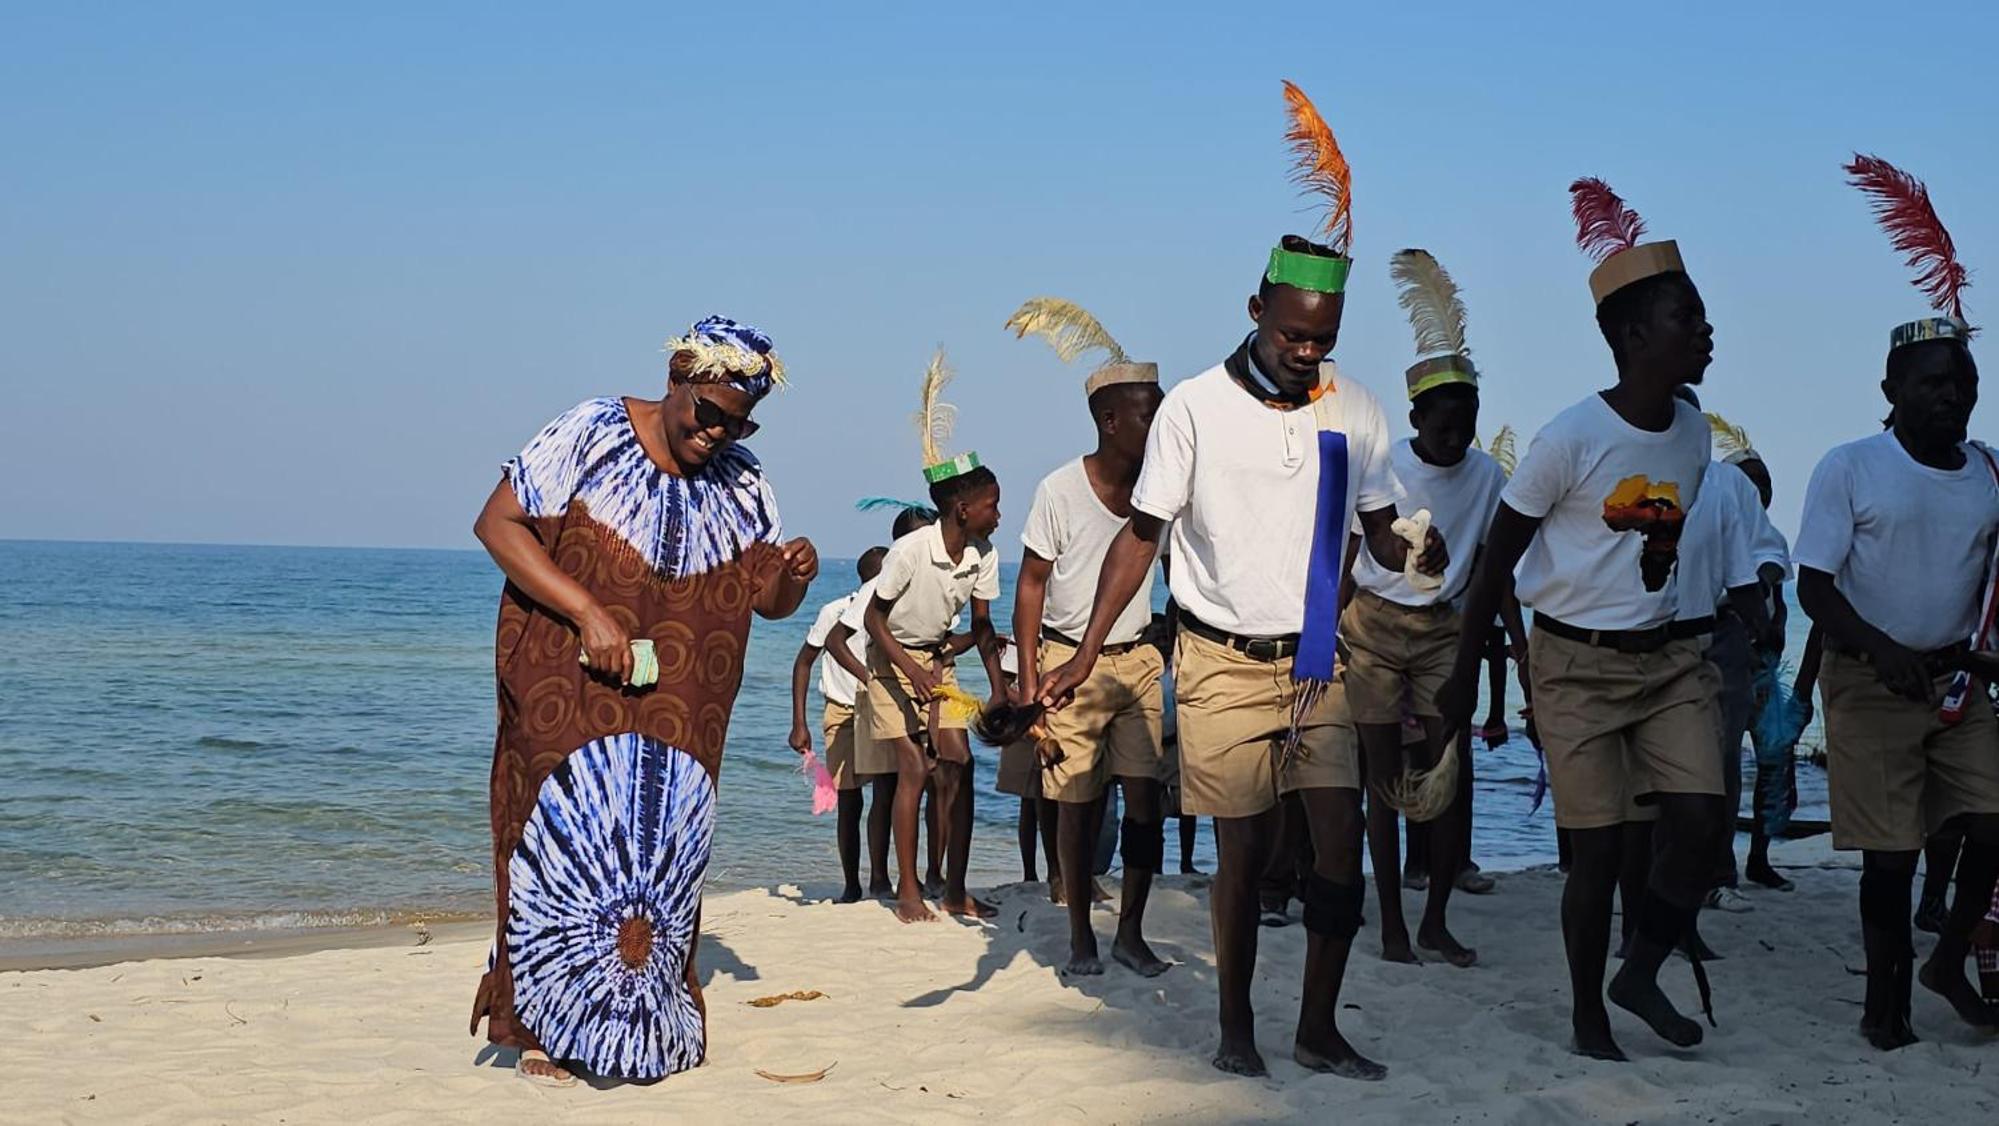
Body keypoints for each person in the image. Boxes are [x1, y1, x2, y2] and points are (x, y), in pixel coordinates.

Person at [1040, 80, 1443, 1080]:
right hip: (1219, 663)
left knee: (1335, 857)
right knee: (1246, 854)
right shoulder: (1192, 408)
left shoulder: (1353, 406)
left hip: (1319, 662)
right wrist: (1084, 651)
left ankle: (1316, 1027)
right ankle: (1234, 1027)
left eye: (1323, 339)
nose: (1306, 353)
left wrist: (1412, 552)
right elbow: (1141, 535)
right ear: (1256, 309)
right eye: (1292, 334)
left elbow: (1380, 528)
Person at [468, 317, 818, 1085]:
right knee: (557, 838)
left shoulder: (743, 478)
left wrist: (793, 575)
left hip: (680, 707)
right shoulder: (590, 431)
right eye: (709, 414)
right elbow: (497, 524)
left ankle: (636, 1023)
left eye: (737, 423)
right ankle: (539, 1028)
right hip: (568, 682)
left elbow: (768, 604)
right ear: (676, 381)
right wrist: (587, 611)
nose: (718, 433)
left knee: (660, 853)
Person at [1440, 179, 1727, 1062]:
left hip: (1668, 663)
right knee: (1596, 858)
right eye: (1687, 317)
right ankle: (1587, 1015)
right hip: (1574, 667)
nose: (1706, 332)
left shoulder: (1693, 432)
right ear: (1635, 336)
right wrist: (1463, 681)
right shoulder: (1568, 438)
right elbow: (1495, 561)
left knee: (1702, 825)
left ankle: (1637, 971)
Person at [1792, 153, 1999, 1047]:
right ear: (1890, 390)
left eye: (1963, 383)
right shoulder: (1849, 467)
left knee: (1992, 827)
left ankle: (1945, 959)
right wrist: (1880, 649)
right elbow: (1813, 584)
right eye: (1932, 382)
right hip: (1872, 683)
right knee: (1890, 858)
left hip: (1959, 686)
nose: (1951, 395)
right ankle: (1885, 1005)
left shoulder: (1989, 474)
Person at [1340, 248, 1506, 968]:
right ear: (1415, 417)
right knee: (1382, 784)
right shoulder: (1383, 466)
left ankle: (1435, 918)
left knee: (1445, 777)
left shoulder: (1488, 476)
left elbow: (1494, 569)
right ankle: (1392, 926)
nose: (1457, 434)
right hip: (1374, 628)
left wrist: (1509, 646)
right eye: (1444, 422)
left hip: (1444, 629)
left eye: (1467, 420)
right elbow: (1355, 548)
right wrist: (1324, 632)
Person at [1006, 296, 1171, 976]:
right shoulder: (1059, 490)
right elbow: (1030, 585)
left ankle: (1130, 930)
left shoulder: (1163, 492)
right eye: (1148, 414)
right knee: (1075, 804)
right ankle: (1079, 931)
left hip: (1138, 663)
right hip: (1064, 666)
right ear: (1109, 421)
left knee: (1146, 803)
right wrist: (1026, 678)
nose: (1161, 425)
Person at [861, 350, 1006, 923]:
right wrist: (911, 671)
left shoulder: (984, 553)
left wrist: (999, 692)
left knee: (959, 764)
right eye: (993, 506)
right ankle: (907, 890)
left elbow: (982, 627)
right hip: (890, 660)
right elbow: (874, 620)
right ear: (963, 509)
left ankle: (955, 888)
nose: (999, 515)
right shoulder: (910, 551)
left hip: (937, 662)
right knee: (915, 768)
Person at [831, 503, 944, 899]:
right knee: (886, 787)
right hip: (883, 690)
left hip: (921, 691)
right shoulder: (881, 584)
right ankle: (881, 878)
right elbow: (837, 639)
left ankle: (929, 874)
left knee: (930, 780)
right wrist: (870, 678)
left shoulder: (933, 578)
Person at [789, 546, 890, 903]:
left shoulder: (893, 611)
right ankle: (851, 884)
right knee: (849, 800)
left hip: (879, 710)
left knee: (885, 795)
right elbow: (804, 662)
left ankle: (880, 878)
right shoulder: (835, 611)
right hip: (843, 711)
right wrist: (799, 722)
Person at [992, 642, 1061, 888]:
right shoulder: (1021, 641)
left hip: (1050, 720)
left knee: (1049, 800)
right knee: (1030, 800)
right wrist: (1030, 705)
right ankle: (1033, 872)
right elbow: (1002, 685)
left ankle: (1053, 869)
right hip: (1026, 725)